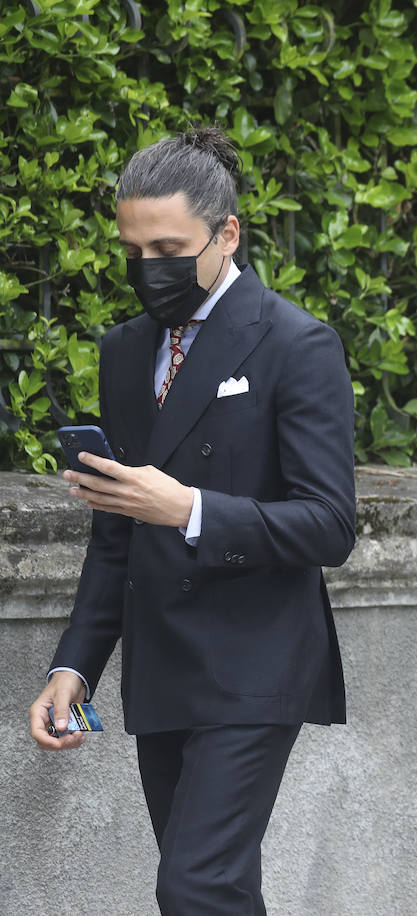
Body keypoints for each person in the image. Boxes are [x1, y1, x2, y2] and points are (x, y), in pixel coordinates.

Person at [26, 127, 355, 914]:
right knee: (213, 889)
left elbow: (329, 525)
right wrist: (72, 668)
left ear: (227, 233)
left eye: (168, 247)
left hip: (257, 662)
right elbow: (116, 535)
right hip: (165, 666)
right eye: (133, 250)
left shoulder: (298, 344)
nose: (150, 269)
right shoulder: (123, 351)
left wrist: (192, 509)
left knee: (194, 886)